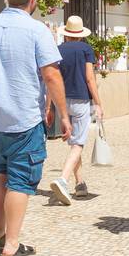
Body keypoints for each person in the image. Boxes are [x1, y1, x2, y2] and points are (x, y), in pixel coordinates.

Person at [0, 0, 71, 256]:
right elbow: (50, 74)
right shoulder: (36, 30)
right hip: (23, 117)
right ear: (33, 0)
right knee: (21, 180)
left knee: (1, 172)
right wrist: (64, 115)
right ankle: (11, 243)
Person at [49, 15, 103, 205]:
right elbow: (90, 78)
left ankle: (80, 185)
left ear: (67, 34)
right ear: (80, 34)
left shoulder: (58, 49)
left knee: (74, 144)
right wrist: (98, 103)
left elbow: (51, 78)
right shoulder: (86, 49)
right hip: (80, 100)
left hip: (61, 101)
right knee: (78, 144)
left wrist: (49, 107)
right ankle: (63, 180)